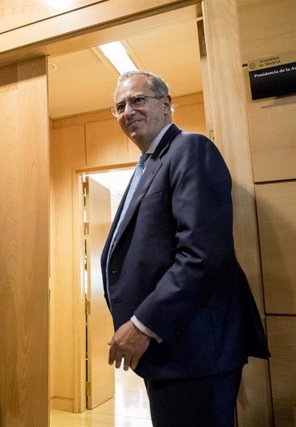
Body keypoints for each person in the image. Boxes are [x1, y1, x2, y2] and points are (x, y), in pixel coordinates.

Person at [101, 70, 270, 426]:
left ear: (166, 105)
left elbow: (202, 254)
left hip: (192, 351)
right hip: (169, 355)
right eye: (119, 106)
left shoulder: (190, 149)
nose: (127, 111)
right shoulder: (148, 166)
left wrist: (142, 325)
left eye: (137, 100)